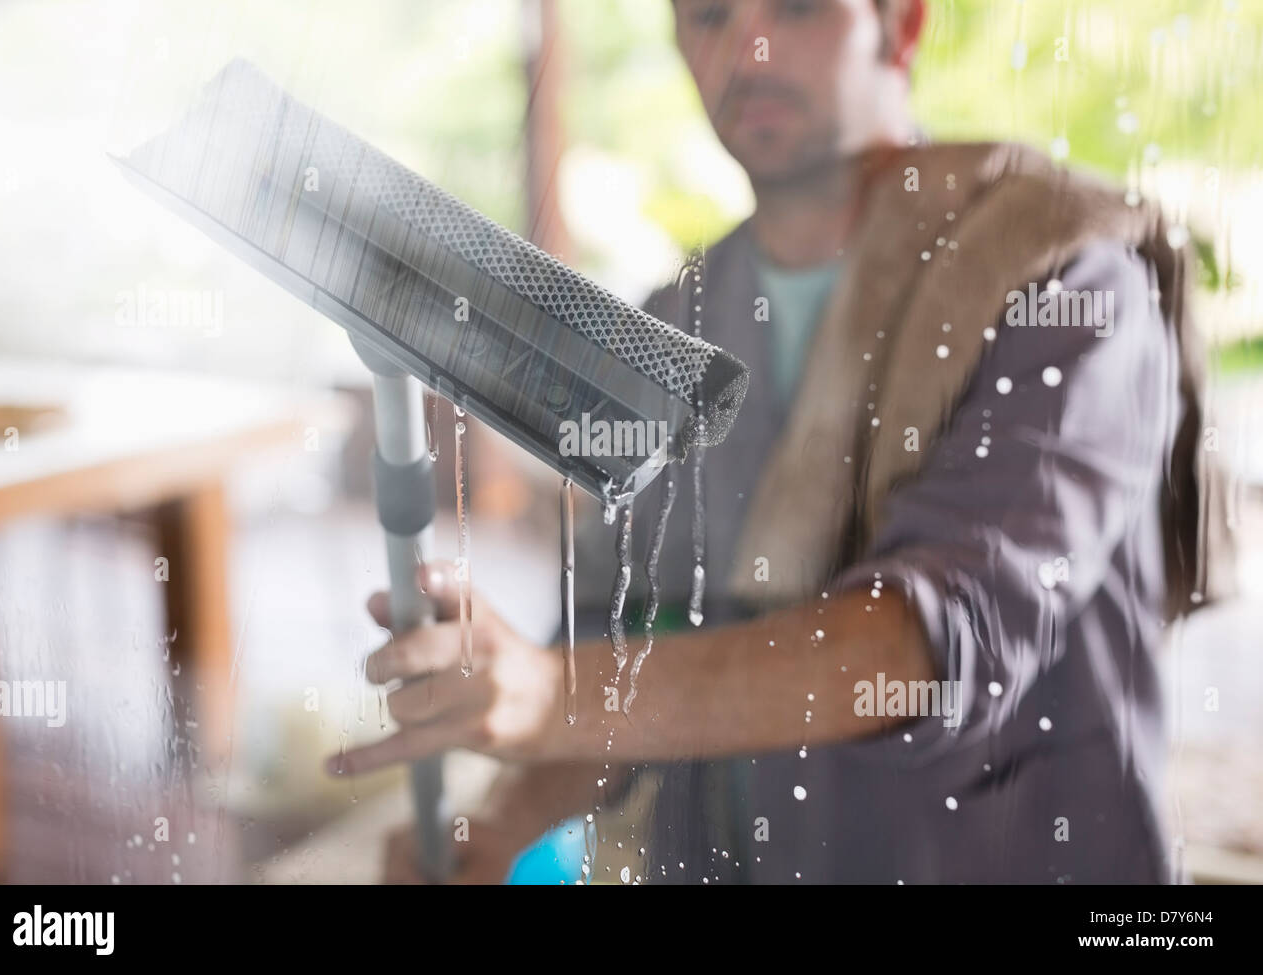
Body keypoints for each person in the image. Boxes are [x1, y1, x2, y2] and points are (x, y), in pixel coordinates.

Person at [328, 0, 1226, 883]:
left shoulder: (1064, 281)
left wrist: (551, 692)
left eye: (796, 7)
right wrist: (503, 823)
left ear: (902, 25)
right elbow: (632, 640)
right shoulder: (669, 329)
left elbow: (936, 643)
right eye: (709, 14)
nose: (748, 46)